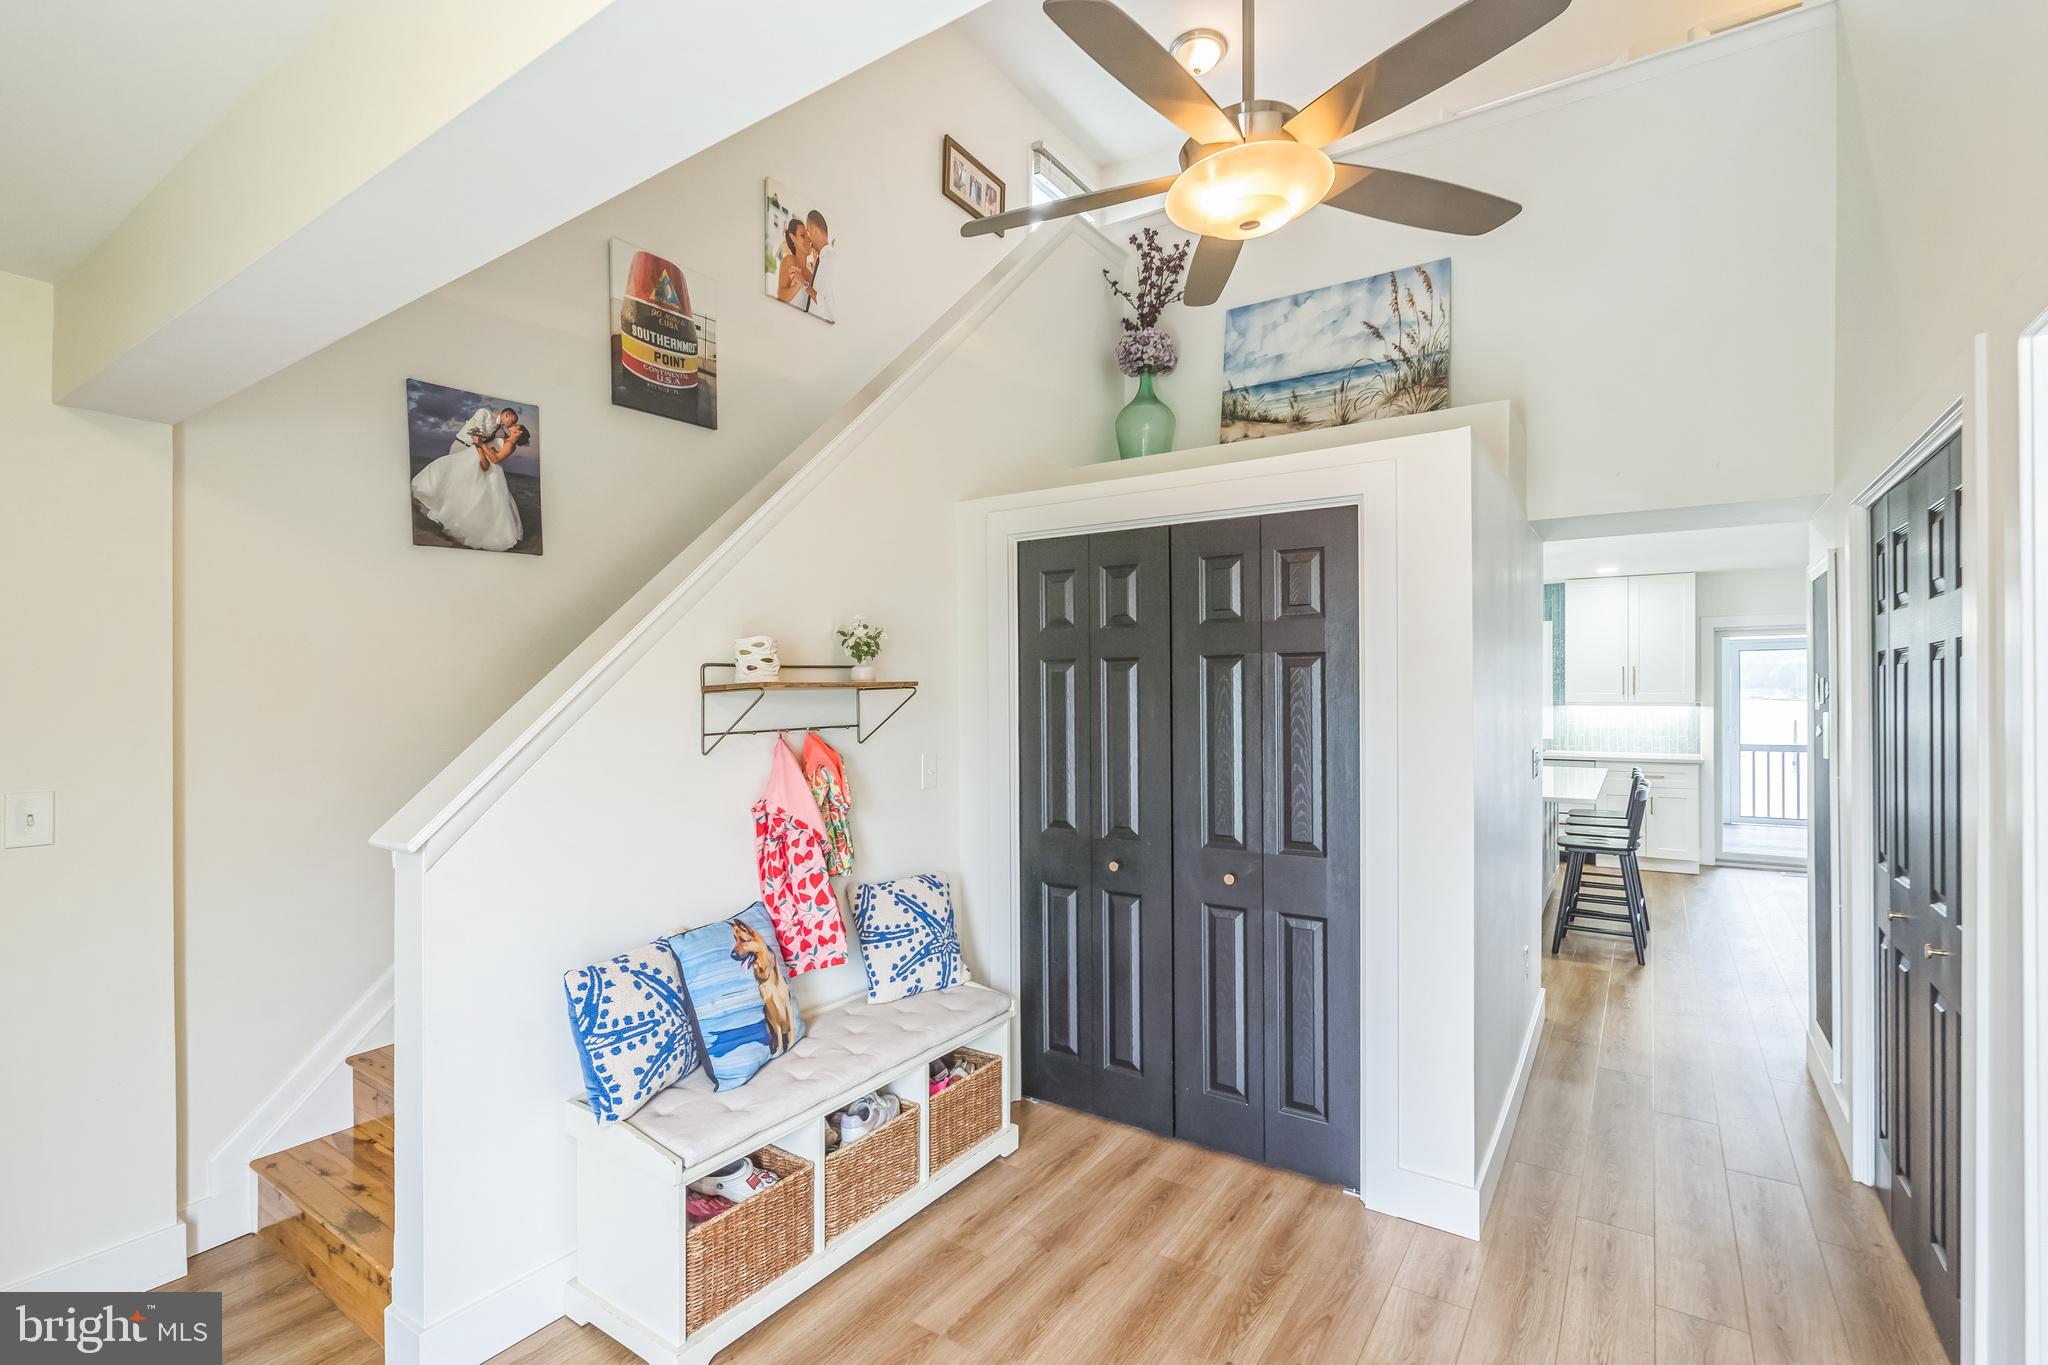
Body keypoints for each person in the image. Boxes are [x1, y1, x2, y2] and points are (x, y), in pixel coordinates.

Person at [412, 405, 527, 551]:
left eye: (516, 424)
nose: (513, 424)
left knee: (462, 486)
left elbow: (489, 449)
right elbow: (476, 433)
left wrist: (482, 452)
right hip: (463, 447)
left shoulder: (504, 436)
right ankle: (437, 505)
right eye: (513, 420)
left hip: (474, 455)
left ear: (519, 432)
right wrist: (481, 449)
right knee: (449, 476)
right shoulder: (485, 413)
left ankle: (450, 516)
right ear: (506, 415)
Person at [803, 210, 835, 323]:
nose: (808, 237)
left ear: (814, 229)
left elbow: (829, 308)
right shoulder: (823, 259)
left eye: (807, 231)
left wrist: (804, 284)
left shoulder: (830, 259)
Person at [775, 217, 814, 308]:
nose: (808, 241)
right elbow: (781, 297)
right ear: (793, 238)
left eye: (808, 237)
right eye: (803, 236)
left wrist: (802, 282)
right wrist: (798, 285)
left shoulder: (811, 274)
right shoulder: (789, 260)